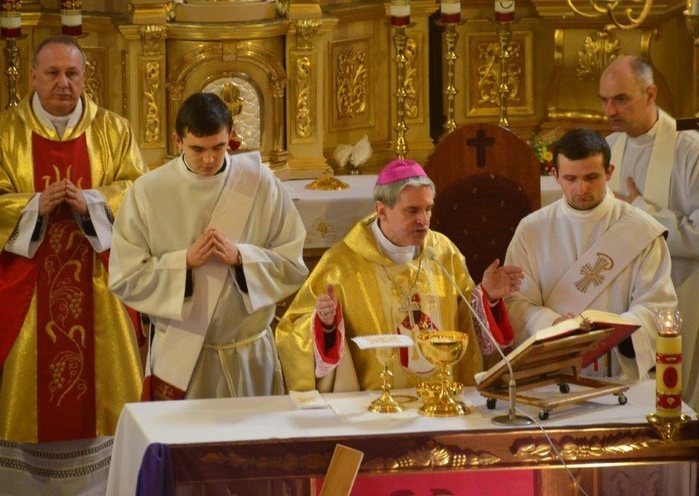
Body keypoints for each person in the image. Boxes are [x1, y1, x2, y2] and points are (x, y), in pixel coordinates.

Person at [0, 36, 147, 495]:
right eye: (52, 74)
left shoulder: (114, 131)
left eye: (72, 74)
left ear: (86, 77)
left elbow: (140, 193)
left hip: (100, 288)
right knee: (28, 391)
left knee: (107, 388)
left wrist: (93, 203)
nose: (63, 84)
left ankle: (106, 488)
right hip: (28, 289)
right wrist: (32, 206)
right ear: (32, 77)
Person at [108, 92, 308, 401]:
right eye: (197, 149)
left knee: (252, 448)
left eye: (218, 147)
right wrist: (182, 263)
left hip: (247, 354)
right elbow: (125, 276)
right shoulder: (148, 191)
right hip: (182, 356)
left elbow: (293, 263)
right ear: (178, 140)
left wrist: (243, 258)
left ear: (231, 136)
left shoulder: (261, 183)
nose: (208, 159)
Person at [275, 159, 523, 393]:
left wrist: (487, 297)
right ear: (381, 210)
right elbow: (292, 330)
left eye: (428, 209)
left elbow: (466, 321)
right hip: (374, 406)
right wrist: (325, 324)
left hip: (443, 399)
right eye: (411, 211)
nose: (423, 221)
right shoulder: (341, 264)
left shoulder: (443, 252)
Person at [504, 127, 677, 379]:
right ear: (555, 175)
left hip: (619, 375)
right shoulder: (531, 230)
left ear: (609, 173)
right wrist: (553, 325)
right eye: (571, 179)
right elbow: (515, 302)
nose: (581, 189)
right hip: (551, 372)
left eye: (591, 177)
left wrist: (610, 332)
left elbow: (656, 306)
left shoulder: (641, 229)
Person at [599, 55, 699, 404]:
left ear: (651, 94)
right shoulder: (609, 149)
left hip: (681, 292)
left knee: (675, 395)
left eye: (621, 99)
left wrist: (641, 211)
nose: (610, 110)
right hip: (624, 299)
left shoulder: (689, 152)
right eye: (605, 100)